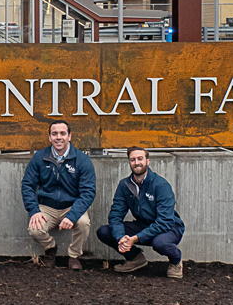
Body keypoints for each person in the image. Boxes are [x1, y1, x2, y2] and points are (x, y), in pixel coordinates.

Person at [96, 147, 185, 278]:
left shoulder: (161, 185)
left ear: (147, 161)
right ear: (129, 162)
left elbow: (164, 221)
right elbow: (115, 215)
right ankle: (135, 259)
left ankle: (176, 261)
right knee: (104, 232)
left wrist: (135, 239)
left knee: (160, 243)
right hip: (143, 225)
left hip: (169, 227)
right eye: (133, 159)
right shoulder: (124, 185)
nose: (136, 162)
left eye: (140, 159)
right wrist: (121, 238)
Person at [21, 119, 96, 270]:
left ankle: (74, 256)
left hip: (71, 206)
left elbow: (88, 192)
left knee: (83, 223)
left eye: (63, 133)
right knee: (34, 229)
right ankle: (50, 249)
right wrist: (34, 211)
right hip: (46, 206)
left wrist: (72, 215)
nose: (58, 137)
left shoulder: (82, 160)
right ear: (49, 137)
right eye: (54, 134)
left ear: (69, 136)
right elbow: (28, 185)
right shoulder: (40, 157)